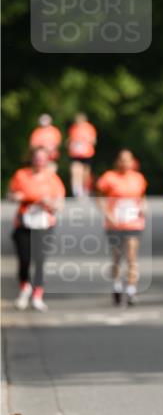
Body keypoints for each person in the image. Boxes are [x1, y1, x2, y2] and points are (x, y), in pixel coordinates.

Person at [9, 146, 66, 311]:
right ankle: (24, 288)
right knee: (24, 259)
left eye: (43, 158)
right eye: (37, 158)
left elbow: (60, 203)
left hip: (44, 224)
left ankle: (37, 295)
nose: (40, 161)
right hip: (24, 224)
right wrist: (17, 197)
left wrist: (51, 203)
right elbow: (11, 195)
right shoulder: (22, 175)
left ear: (47, 160)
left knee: (40, 260)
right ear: (32, 159)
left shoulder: (52, 178)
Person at [96, 149, 147, 306]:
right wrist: (107, 213)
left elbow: (142, 197)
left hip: (133, 222)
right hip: (115, 224)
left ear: (132, 162)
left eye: (128, 160)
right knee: (117, 257)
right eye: (122, 160)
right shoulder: (109, 178)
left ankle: (131, 290)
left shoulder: (138, 178)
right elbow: (99, 198)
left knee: (132, 256)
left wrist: (143, 208)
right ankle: (117, 286)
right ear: (117, 162)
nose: (125, 163)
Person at [67, 112, 97, 197]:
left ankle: (86, 188)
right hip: (75, 154)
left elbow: (93, 140)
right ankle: (77, 189)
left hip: (87, 154)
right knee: (75, 170)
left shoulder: (89, 128)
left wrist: (85, 142)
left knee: (85, 173)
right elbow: (70, 139)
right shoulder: (73, 128)